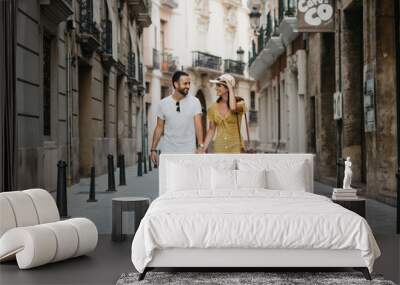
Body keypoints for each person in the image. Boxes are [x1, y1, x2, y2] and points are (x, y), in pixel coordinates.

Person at [150, 71, 205, 165]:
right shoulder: (163, 103)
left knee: (187, 180)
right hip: (168, 152)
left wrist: (200, 146)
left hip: (189, 152)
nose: (188, 86)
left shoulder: (195, 102)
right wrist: (153, 149)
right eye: (185, 83)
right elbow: (159, 128)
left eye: (189, 83)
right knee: (169, 180)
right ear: (175, 84)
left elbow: (198, 125)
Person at [203, 74, 247, 153]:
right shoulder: (213, 108)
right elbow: (211, 130)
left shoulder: (240, 103)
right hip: (219, 147)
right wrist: (203, 148)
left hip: (236, 146)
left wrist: (230, 87)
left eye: (219, 85)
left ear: (227, 88)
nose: (216, 88)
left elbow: (233, 108)